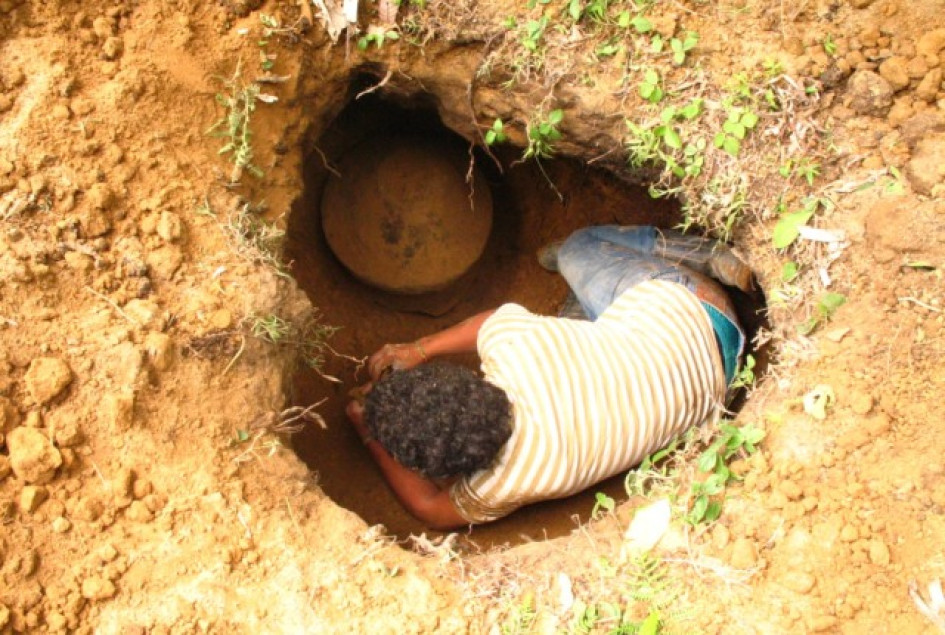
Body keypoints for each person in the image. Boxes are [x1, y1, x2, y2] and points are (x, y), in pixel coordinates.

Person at [345, 225, 750, 530]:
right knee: (579, 249)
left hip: (717, 381)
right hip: (693, 317)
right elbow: (490, 322)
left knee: (576, 277)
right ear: (465, 380)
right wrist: (419, 350)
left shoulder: (501, 483)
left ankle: (707, 254)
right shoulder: (520, 350)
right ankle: (708, 256)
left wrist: (368, 432)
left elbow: (429, 509)